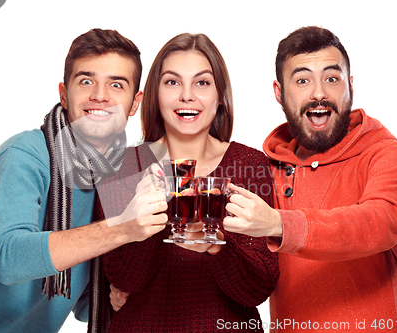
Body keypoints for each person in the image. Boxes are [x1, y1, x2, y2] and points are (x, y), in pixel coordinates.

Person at [0, 28, 167, 333]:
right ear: (64, 95)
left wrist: (118, 297)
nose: (100, 95)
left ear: (135, 103)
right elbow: (9, 258)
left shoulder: (118, 180)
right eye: (86, 81)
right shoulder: (24, 155)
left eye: (116, 84)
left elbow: (81, 303)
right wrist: (122, 228)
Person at [223, 26, 397, 332]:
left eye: (332, 78)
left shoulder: (390, 156)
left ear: (350, 86)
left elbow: (380, 221)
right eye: (302, 80)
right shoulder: (265, 171)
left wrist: (279, 224)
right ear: (279, 92)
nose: (319, 93)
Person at [93, 33, 279, 332]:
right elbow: (124, 279)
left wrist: (217, 246)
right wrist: (155, 212)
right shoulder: (123, 166)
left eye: (202, 83)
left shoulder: (250, 165)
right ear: (154, 94)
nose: (187, 95)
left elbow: (258, 288)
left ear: (220, 96)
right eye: (172, 82)